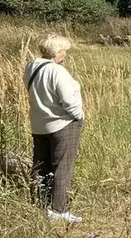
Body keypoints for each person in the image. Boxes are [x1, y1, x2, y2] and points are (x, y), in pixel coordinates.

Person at [24, 35, 85, 224]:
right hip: (62, 123)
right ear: (57, 53)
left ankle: (41, 205)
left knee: (41, 166)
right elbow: (68, 101)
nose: (66, 55)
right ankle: (59, 210)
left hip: (39, 124)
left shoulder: (31, 67)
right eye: (64, 51)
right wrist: (79, 115)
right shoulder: (58, 72)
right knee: (62, 167)